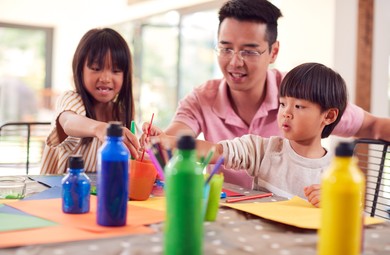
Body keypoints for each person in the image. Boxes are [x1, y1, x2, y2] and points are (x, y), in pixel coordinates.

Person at [142, 0, 390, 188]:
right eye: (225, 49)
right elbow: (176, 140)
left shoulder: (302, 94)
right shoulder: (202, 98)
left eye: (249, 51)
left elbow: (375, 126)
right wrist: (159, 141)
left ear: (273, 52)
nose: (235, 62)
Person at [147, 62, 348, 207]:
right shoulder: (262, 149)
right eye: (283, 103)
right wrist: (167, 141)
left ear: (329, 116)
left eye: (298, 106)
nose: (286, 112)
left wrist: (335, 201)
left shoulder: (338, 172)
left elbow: (351, 216)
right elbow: (215, 151)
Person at [40, 28, 140, 174]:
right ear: (80, 70)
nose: (105, 78)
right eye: (96, 68)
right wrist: (100, 128)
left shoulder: (121, 113)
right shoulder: (71, 100)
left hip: (98, 194)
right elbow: (69, 121)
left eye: (116, 70)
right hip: (55, 193)